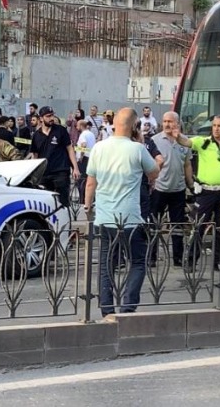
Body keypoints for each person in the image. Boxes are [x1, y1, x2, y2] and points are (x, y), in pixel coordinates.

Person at [84, 108, 159, 316]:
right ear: (135, 127)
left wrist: (87, 207)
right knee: (137, 261)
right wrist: (140, 140)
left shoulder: (98, 148)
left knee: (106, 263)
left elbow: (91, 182)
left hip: (105, 216)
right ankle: (128, 305)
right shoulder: (137, 149)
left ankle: (107, 309)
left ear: (113, 124)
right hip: (130, 218)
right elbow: (154, 171)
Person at [172, 114, 220, 271]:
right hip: (206, 192)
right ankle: (191, 260)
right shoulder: (203, 142)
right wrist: (177, 135)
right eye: (214, 125)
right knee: (199, 226)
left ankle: (218, 262)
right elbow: (186, 142)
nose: (216, 129)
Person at [150, 112, 194, 267]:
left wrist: (191, 185)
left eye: (170, 121)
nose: (167, 124)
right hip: (159, 189)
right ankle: (152, 257)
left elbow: (187, 164)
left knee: (178, 226)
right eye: (164, 121)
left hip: (178, 189)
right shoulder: (154, 141)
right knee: (154, 225)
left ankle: (178, 257)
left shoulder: (185, 142)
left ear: (177, 123)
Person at [30, 106, 80, 207]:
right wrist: (34, 173)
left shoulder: (61, 130)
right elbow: (34, 155)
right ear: (41, 118)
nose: (51, 118)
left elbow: (70, 149)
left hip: (61, 172)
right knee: (45, 204)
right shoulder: (36, 135)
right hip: (44, 174)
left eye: (52, 115)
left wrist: (75, 168)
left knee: (63, 203)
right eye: (48, 116)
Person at [75, 120, 96, 206]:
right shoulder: (91, 134)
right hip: (91, 159)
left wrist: (81, 156)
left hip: (84, 160)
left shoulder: (83, 135)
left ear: (80, 126)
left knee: (81, 180)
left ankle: (82, 200)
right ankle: (90, 199)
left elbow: (83, 144)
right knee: (89, 179)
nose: (76, 128)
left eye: (77, 126)